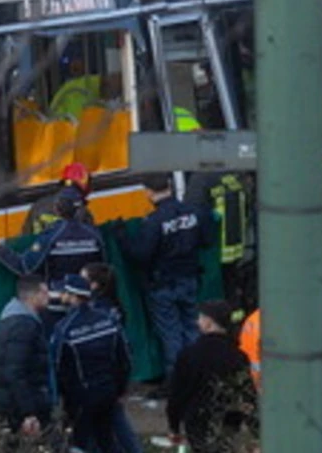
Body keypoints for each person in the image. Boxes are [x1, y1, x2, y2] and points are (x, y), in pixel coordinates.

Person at [129, 173, 212, 375]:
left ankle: (178, 382)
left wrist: (123, 239)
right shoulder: (194, 212)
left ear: (148, 192)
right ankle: (198, 374)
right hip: (190, 278)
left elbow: (141, 255)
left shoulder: (154, 221)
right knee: (192, 328)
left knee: (171, 334)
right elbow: (207, 240)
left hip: (163, 285)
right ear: (169, 186)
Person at [49, 273, 133, 453]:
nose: (61, 296)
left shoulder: (63, 329)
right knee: (108, 440)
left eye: (64, 293)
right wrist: (120, 389)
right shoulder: (108, 320)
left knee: (81, 444)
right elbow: (124, 359)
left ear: (73, 296)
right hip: (109, 392)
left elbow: (56, 368)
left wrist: (60, 401)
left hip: (80, 399)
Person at [167, 302, 259, 453]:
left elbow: (177, 395)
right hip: (228, 421)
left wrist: (174, 426)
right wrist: (256, 431)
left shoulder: (189, 355)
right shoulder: (238, 357)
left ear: (208, 323)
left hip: (197, 421)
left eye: (200, 318)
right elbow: (247, 395)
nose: (197, 322)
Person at [0, 277, 53, 446]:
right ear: (33, 295)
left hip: (12, 403)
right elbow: (14, 371)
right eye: (44, 292)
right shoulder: (23, 326)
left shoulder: (13, 319)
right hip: (19, 407)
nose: (49, 296)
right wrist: (28, 413)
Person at [0, 187, 108, 281]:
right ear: (80, 210)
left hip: (59, 300)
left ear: (57, 209)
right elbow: (103, 269)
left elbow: (25, 267)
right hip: (88, 300)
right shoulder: (95, 235)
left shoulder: (51, 236)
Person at [186, 169, 257, 310]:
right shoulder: (234, 175)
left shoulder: (200, 179)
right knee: (232, 289)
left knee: (214, 296)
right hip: (237, 248)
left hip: (213, 252)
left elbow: (193, 215)